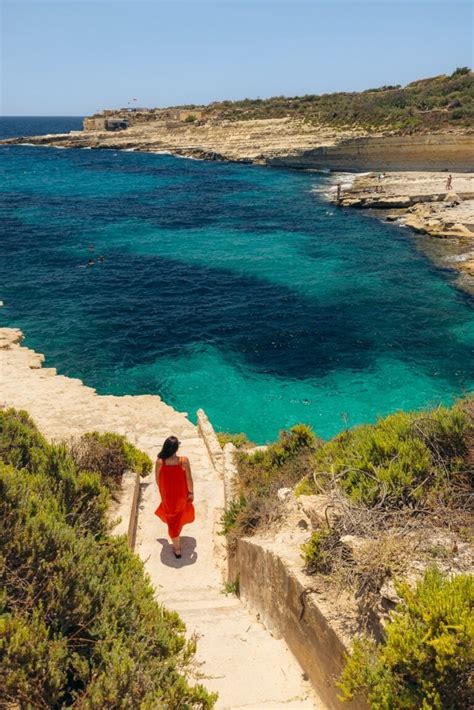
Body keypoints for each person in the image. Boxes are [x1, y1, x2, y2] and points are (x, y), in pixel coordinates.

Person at [155, 436, 195, 558]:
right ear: (176, 448)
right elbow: (189, 479)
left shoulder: (160, 462)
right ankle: (177, 548)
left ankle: (176, 543)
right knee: (176, 518)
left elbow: (157, 479)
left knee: (172, 518)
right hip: (181, 495)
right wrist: (191, 492)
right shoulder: (184, 461)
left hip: (167, 496)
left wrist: (163, 492)